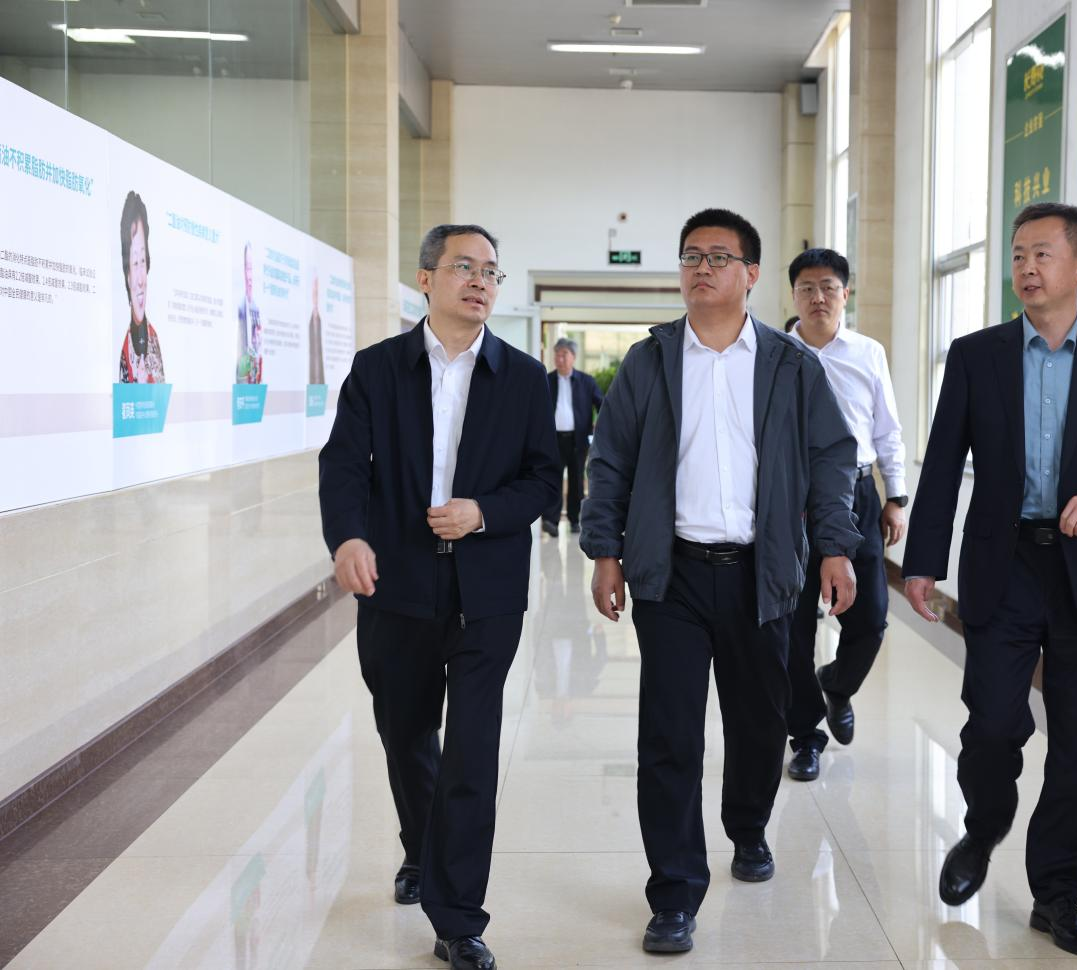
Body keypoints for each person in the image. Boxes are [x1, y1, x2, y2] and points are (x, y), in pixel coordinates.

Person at [580, 208, 861, 955]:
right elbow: (610, 459)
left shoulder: (789, 365)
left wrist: (835, 547)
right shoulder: (649, 361)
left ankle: (748, 827)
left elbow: (832, 459)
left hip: (760, 574)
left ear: (750, 274)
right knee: (668, 735)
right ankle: (674, 892)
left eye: (718, 257)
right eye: (691, 257)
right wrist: (604, 551)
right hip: (670, 575)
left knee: (758, 720)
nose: (701, 269)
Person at [901, 202, 1077, 957]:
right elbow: (942, 461)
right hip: (1005, 562)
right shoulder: (976, 356)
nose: (1026, 268)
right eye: (1018, 255)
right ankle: (984, 824)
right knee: (993, 721)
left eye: (1042, 255)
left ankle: (1057, 895)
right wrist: (921, 562)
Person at [319, 224, 558, 970]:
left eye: (491, 270)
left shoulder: (523, 378)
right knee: (407, 731)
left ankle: (457, 918)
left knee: (472, 753)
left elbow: (542, 481)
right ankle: (421, 849)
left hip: (487, 591)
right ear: (426, 279)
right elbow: (343, 465)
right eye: (464, 267)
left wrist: (482, 511)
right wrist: (348, 538)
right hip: (397, 584)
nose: (480, 281)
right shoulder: (377, 369)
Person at [782, 248, 907, 782]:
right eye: (807, 288)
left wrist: (896, 496)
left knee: (871, 617)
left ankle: (836, 684)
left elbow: (887, 429)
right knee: (792, 628)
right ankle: (806, 737)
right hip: (792, 500)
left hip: (856, 495)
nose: (818, 297)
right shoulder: (774, 354)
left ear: (845, 294)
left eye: (829, 287)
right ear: (793, 295)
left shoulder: (867, 352)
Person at [545, 337, 604, 537]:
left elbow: (602, 404)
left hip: (578, 440)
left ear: (573, 357)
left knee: (576, 480)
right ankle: (551, 520)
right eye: (557, 354)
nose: (559, 359)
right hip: (553, 439)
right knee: (553, 478)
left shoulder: (586, 381)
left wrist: (600, 426)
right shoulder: (547, 380)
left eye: (564, 354)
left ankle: (574, 520)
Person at [117, 190, 166, 384]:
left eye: (143, 261)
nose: (140, 281)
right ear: (126, 274)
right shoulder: (124, 352)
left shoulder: (154, 338)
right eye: (134, 263)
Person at [236, 244, 263, 384]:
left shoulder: (256, 309)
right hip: (244, 384)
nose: (250, 276)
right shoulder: (241, 310)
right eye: (248, 269)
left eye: (252, 269)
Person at [308, 274, 326, 386]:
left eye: (317, 292)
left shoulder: (320, 319)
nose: (315, 295)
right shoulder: (309, 321)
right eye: (314, 292)